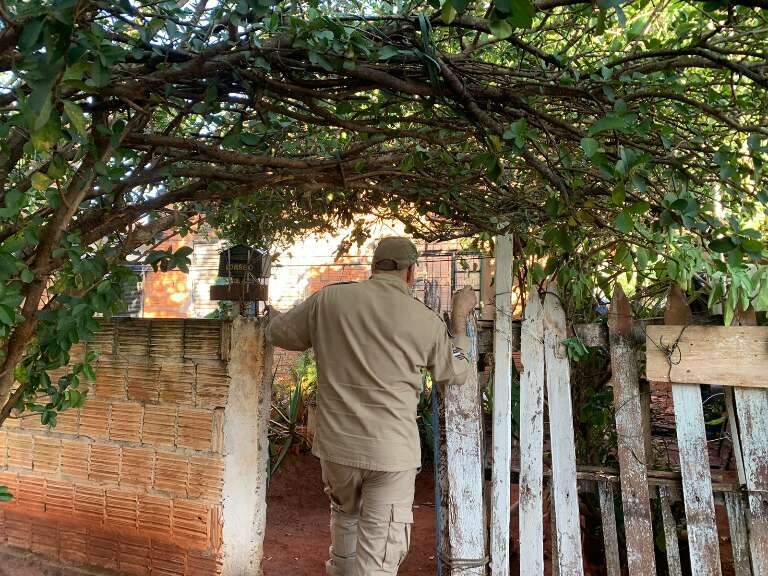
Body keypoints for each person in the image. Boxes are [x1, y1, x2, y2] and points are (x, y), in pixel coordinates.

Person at [266, 236, 477, 576]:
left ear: (374, 266)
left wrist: (268, 314)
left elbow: (280, 334)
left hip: (337, 449)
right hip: (390, 454)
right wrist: (459, 324)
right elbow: (455, 372)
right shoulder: (423, 320)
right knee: (378, 557)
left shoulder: (329, 300)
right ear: (411, 273)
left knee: (345, 520)